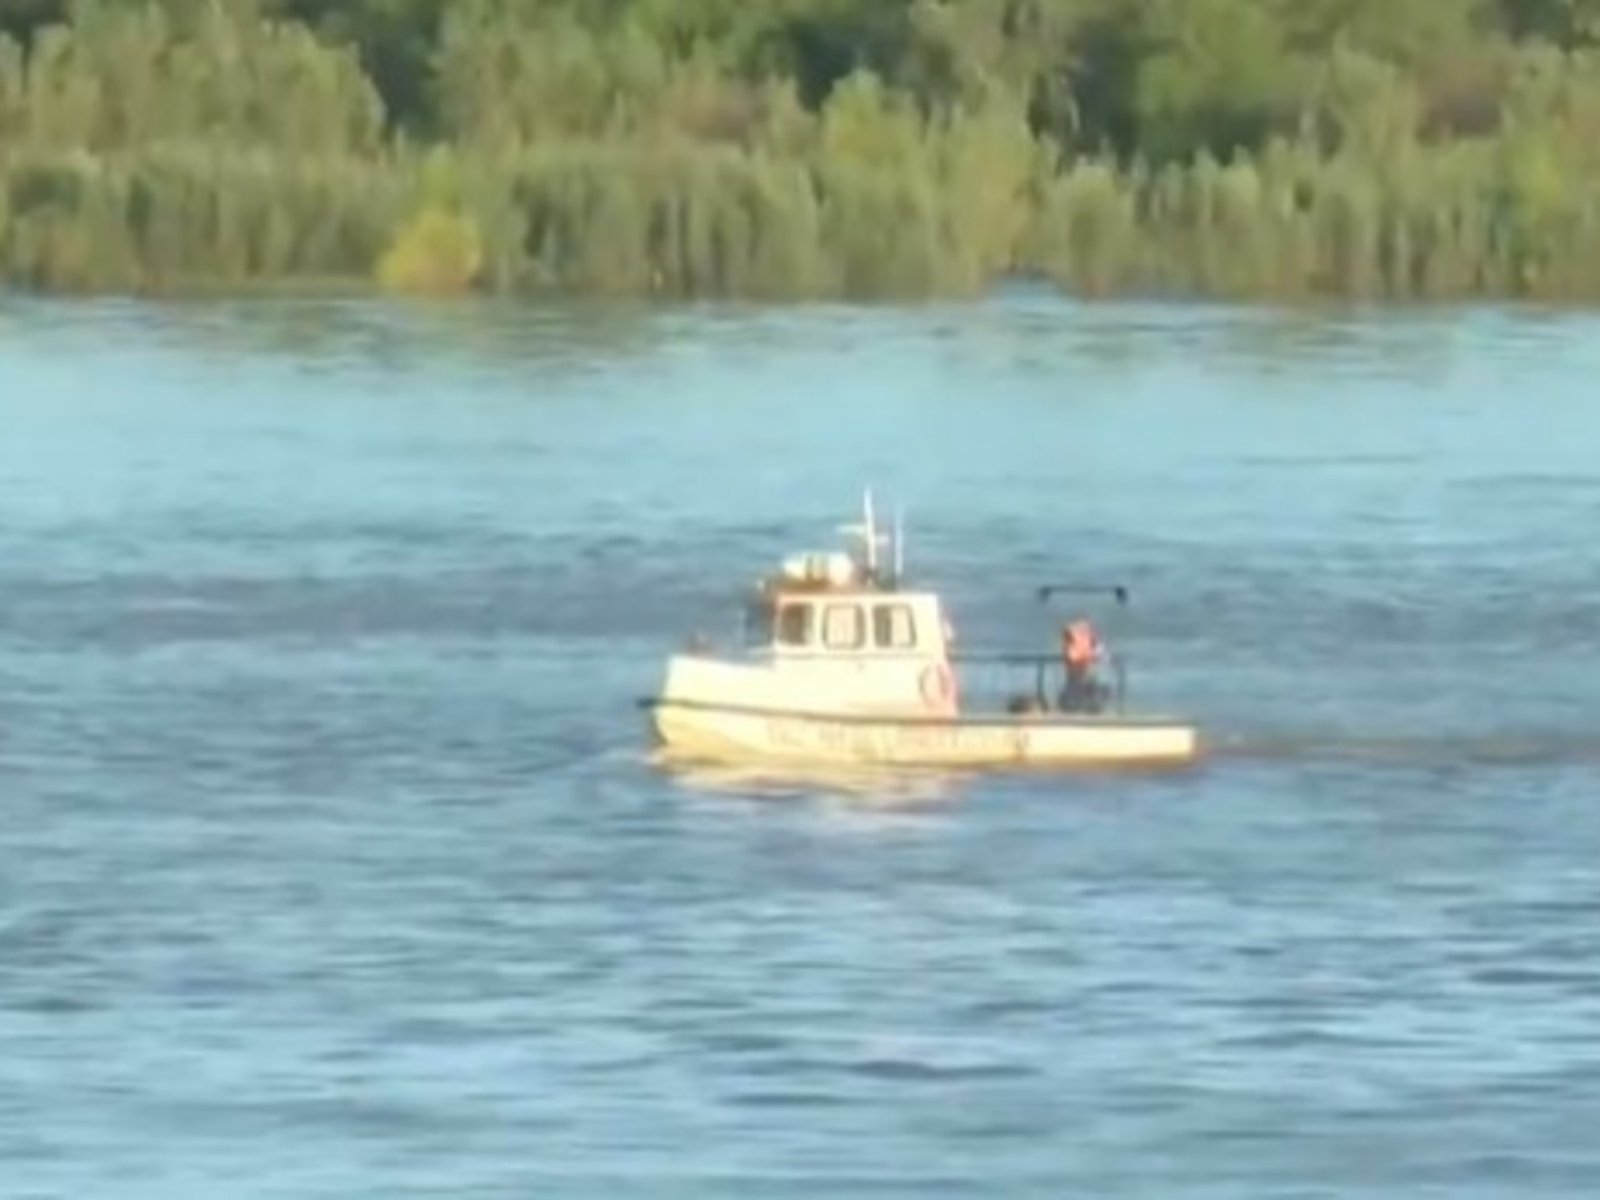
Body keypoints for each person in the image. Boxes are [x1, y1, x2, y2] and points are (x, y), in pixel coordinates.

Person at [1059, 617, 1109, 714]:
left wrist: (1093, 654)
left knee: (1096, 690)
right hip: (1077, 676)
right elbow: (1072, 657)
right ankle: (1075, 707)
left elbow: (1103, 655)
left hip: (1086, 675)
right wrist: (1088, 655)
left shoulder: (1092, 643)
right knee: (1075, 692)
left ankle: (1090, 707)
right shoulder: (1071, 645)